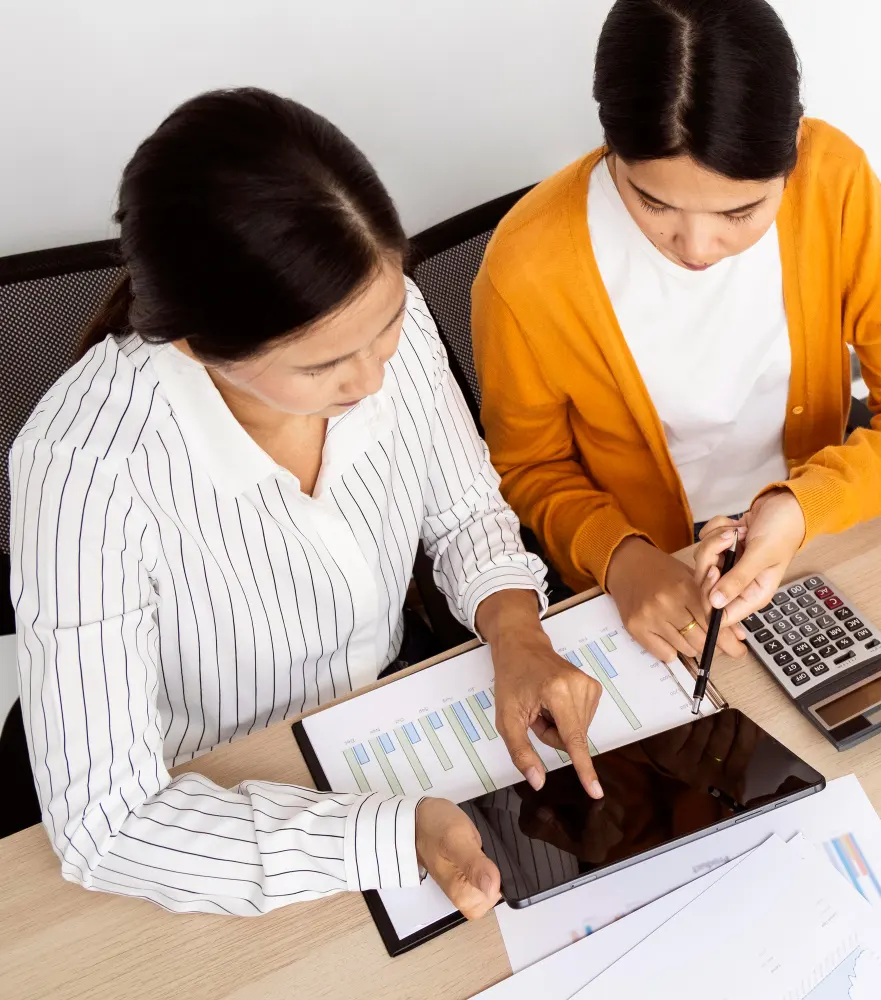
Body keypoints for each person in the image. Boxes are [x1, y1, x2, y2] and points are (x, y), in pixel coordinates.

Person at [8, 88, 607, 920]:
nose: (370, 380)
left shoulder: (386, 322)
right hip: (212, 803)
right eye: (323, 368)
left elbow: (467, 513)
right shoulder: (84, 467)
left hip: (380, 724)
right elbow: (107, 821)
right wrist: (394, 838)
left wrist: (516, 630)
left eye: (387, 324)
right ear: (195, 342)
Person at [471, 0, 881, 668]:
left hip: (820, 547)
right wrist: (623, 559)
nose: (697, 246)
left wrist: (800, 508)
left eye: (740, 210)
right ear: (611, 145)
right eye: (653, 202)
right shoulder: (527, 266)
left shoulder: (833, 183)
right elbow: (530, 468)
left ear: (791, 156)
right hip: (650, 592)